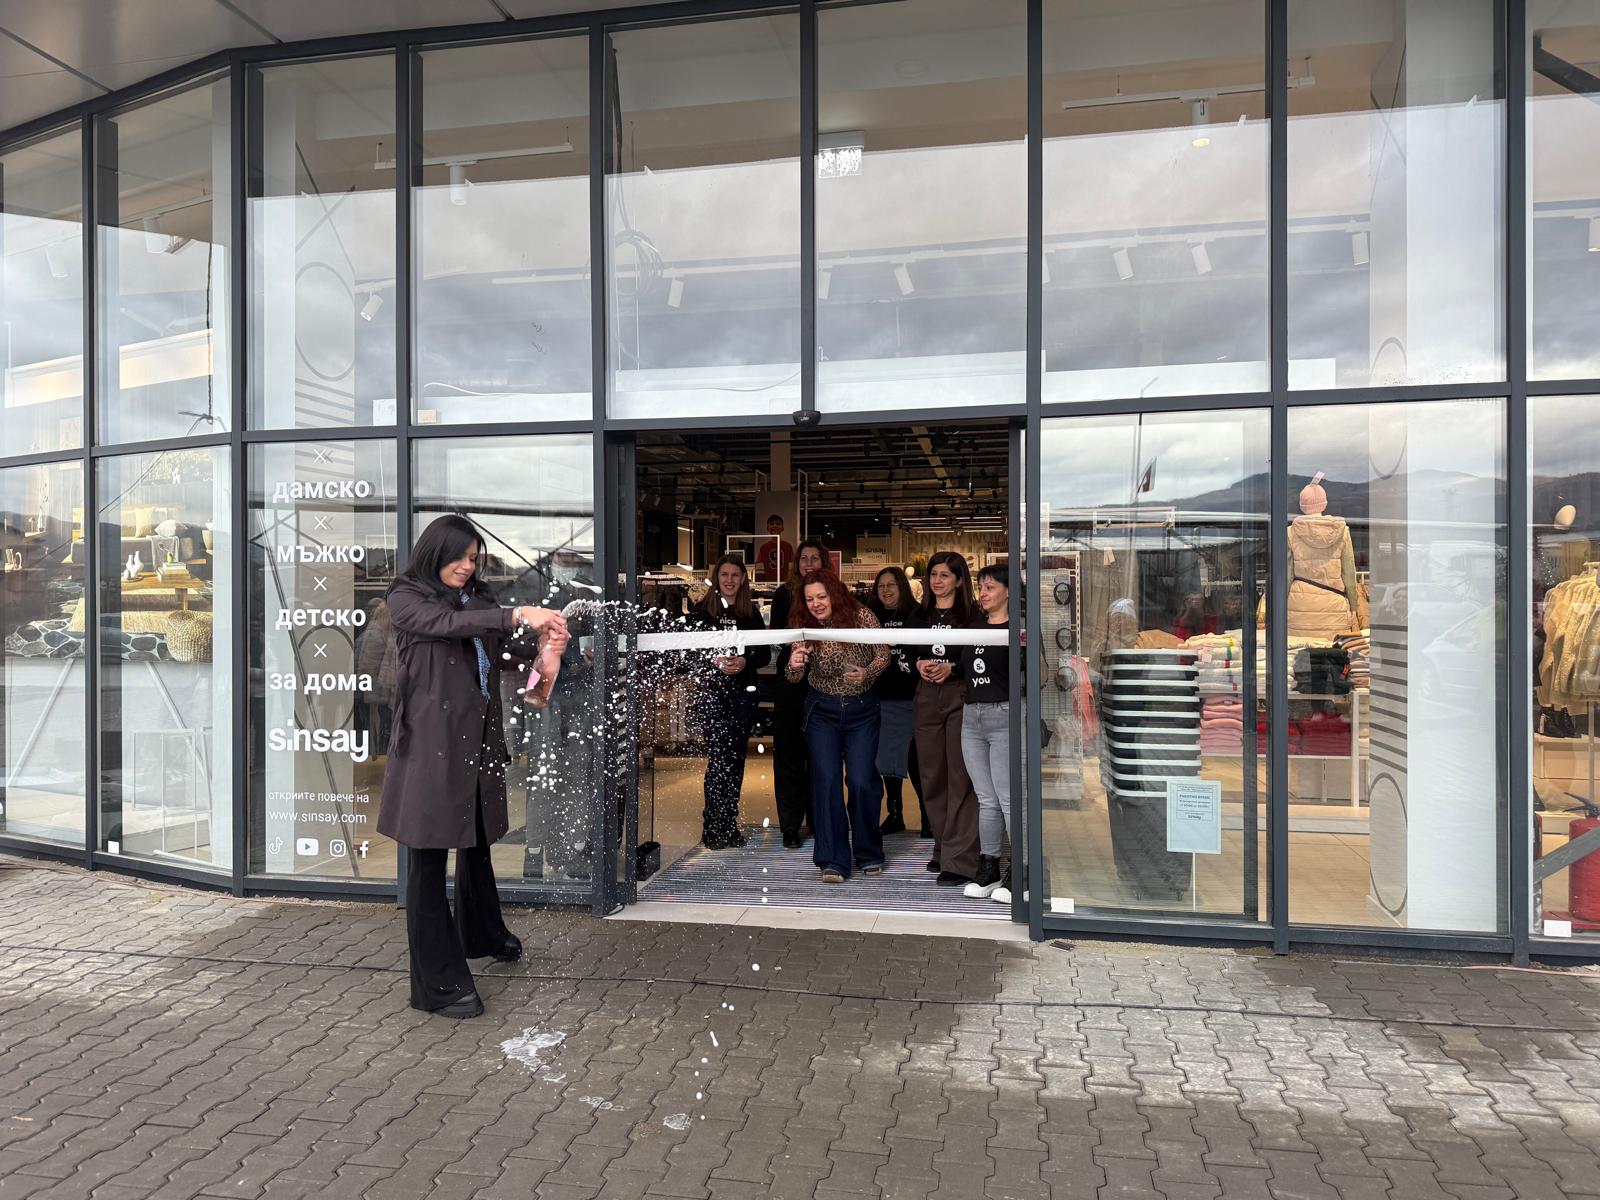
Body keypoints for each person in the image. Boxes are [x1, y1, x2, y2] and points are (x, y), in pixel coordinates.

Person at [377, 514, 567, 1019]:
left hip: (476, 745)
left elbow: (504, 654)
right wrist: (516, 614)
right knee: (427, 864)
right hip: (427, 751)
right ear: (435, 552)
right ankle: (436, 986)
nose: (467, 566)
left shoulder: (477, 600)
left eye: (473, 559)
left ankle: (481, 934)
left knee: (477, 844)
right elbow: (446, 627)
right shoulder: (406, 597)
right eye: (459, 557)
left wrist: (548, 648)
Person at [786, 570, 889, 883]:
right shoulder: (803, 624)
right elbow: (793, 677)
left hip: (862, 711)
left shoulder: (862, 616)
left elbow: (883, 655)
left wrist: (867, 673)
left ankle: (868, 851)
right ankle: (833, 859)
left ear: (834, 593)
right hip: (821, 712)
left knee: (861, 780)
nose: (816, 604)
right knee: (827, 781)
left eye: (821, 596)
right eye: (809, 599)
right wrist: (794, 664)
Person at [687, 555, 772, 848]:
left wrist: (744, 660)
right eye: (724, 574)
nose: (730, 580)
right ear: (717, 577)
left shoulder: (751, 612)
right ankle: (712, 827)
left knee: (735, 759)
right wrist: (714, 660)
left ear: (743, 579)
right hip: (712, 694)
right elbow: (688, 652)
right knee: (719, 759)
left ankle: (729, 824)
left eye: (735, 575)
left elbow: (764, 654)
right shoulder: (702, 611)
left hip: (742, 695)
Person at [913, 551, 981, 887]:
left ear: (958, 580)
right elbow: (908, 650)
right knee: (932, 776)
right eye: (933, 574)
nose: (937, 581)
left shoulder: (973, 614)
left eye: (944, 575)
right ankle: (943, 847)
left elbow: (980, 654)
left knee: (960, 776)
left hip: (959, 694)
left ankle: (961, 859)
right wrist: (918, 663)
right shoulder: (919, 614)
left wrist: (952, 667)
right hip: (926, 696)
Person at [960, 563, 1017, 904]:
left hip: (1005, 714)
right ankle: (990, 867)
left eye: (990, 587)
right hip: (973, 717)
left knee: (1009, 798)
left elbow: (1037, 676)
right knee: (987, 799)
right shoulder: (974, 627)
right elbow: (967, 668)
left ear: (1008, 591)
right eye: (981, 587)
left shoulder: (1018, 628)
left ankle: (1022, 871)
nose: (983, 593)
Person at [770, 537, 828, 848]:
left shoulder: (833, 594)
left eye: (814, 558)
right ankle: (790, 827)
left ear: (823, 562)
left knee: (821, 755)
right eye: (804, 558)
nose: (809, 563)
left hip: (823, 681)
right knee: (789, 755)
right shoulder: (784, 594)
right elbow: (777, 636)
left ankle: (820, 822)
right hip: (791, 682)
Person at [870, 566, 923, 836]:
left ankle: (928, 818)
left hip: (914, 697)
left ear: (902, 586)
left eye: (891, 585)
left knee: (917, 761)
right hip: (884, 698)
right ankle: (895, 814)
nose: (886, 590)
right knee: (888, 761)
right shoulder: (870, 616)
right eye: (881, 586)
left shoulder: (917, 614)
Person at [756, 512, 794, 583]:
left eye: (778, 524)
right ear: (767, 528)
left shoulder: (788, 546)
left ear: (782, 528)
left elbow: (791, 568)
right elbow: (760, 568)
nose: (775, 526)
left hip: (784, 583)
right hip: (768, 584)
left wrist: (790, 582)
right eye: (771, 524)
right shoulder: (763, 547)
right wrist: (759, 584)